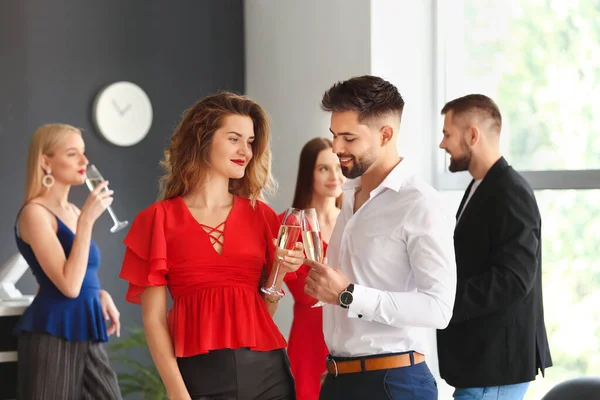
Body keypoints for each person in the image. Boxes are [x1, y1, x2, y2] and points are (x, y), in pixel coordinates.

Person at [119, 92, 305, 400]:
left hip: (269, 375)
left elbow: (262, 313)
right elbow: (153, 318)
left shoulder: (263, 216)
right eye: (234, 138)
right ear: (203, 139)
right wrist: (177, 392)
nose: (244, 150)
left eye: (249, 141)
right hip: (198, 378)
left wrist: (279, 272)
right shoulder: (157, 220)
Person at [303, 75, 456, 400]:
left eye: (348, 138)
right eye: (334, 136)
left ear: (386, 134)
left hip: (393, 385)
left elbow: (439, 308)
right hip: (337, 379)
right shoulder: (350, 199)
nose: (336, 148)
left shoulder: (419, 204)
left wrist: (347, 294)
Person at [437, 94, 552, 400]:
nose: (442, 144)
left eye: (448, 134)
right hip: (482, 368)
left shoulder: (510, 192)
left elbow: (514, 279)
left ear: (472, 135)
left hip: (495, 369)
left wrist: (443, 301)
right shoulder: (480, 186)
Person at [14, 124, 122, 399]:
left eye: (83, 154)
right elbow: (68, 286)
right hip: (52, 332)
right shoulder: (35, 213)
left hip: (87, 324)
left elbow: (77, 275)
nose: (85, 162)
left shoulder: (74, 211)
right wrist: (87, 220)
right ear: (45, 162)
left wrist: (98, 292)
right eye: (73, 154)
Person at [284, 137, 344, 400]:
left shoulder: (354, 222)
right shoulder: (290, 226)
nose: (334, 176)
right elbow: (306, 295)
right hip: (310, 339)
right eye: (323, 168)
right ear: (308, 173)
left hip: (350, 337)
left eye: (339, 167)